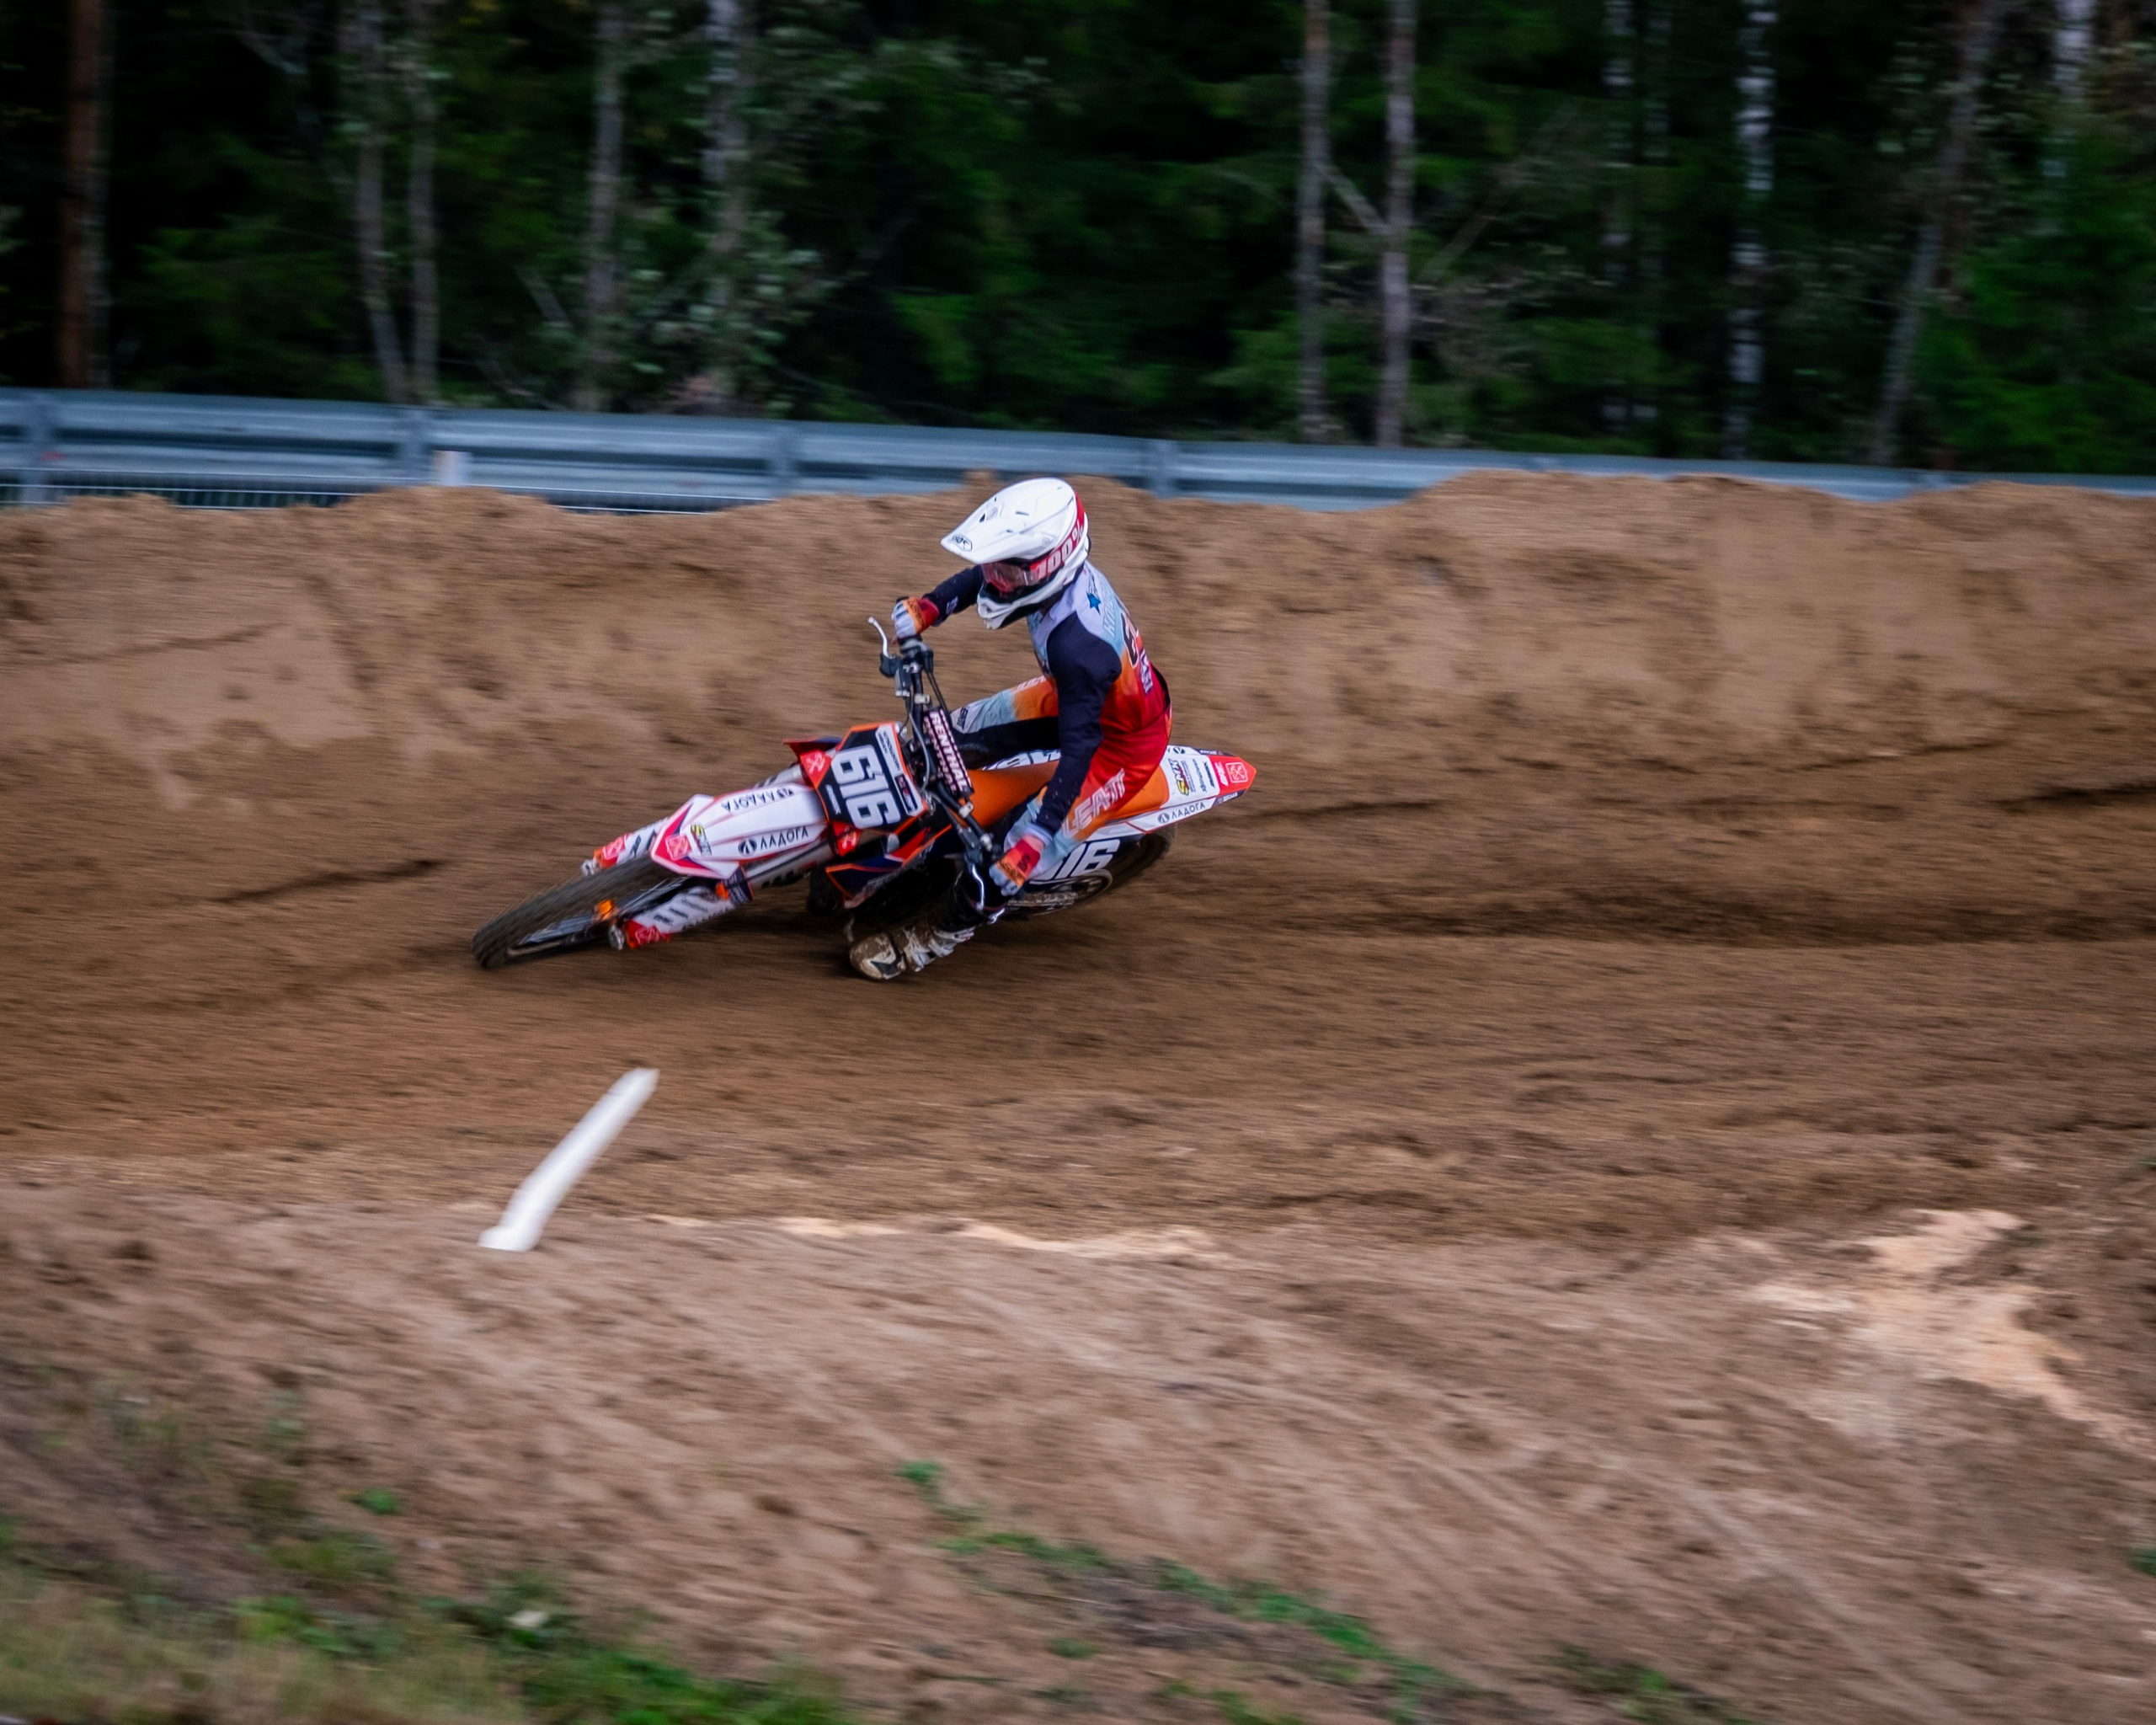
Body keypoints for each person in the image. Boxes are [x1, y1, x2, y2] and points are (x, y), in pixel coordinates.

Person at [849, 477, 1171, 980]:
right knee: (939, 741)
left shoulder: (1077, 648)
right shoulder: (1047, 579)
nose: (994, 577)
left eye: (1007, 568)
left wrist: (1038, 837)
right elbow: (987, 576)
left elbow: (1080, 751)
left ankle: (931, 938)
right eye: (999, 564)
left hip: (1119, 748)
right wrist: (930, 606)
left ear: (1046, 565)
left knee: (1011, 857)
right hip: (1073, 697)